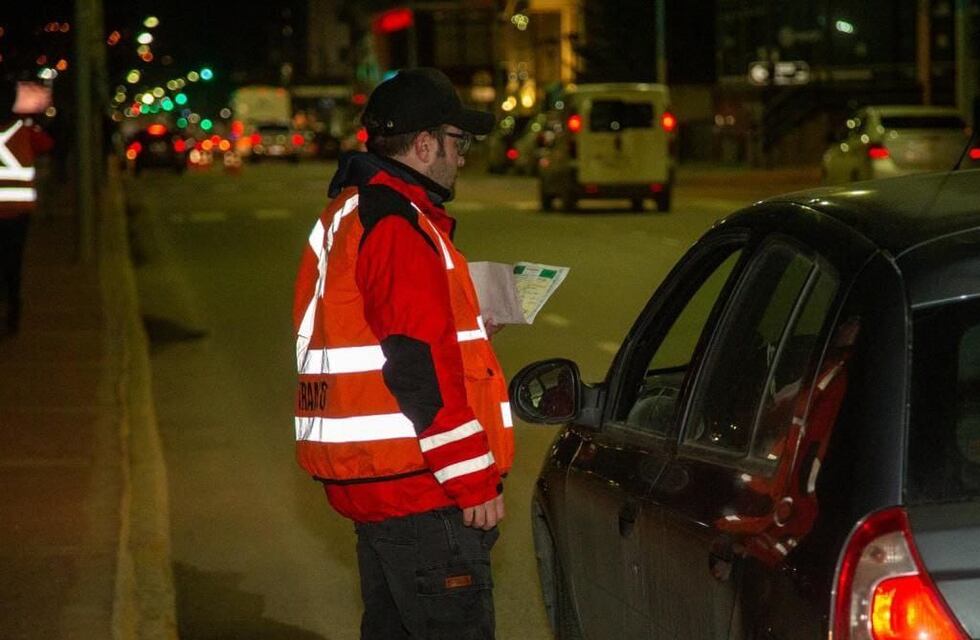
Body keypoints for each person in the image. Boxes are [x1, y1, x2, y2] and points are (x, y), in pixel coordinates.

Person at [291, 68, 513, 639]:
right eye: (456, 142)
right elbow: (416, 363)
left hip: (384, 485)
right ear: (423, 144)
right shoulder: (395, 221)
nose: (461, 157)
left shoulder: (354, 210)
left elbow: (376, 333)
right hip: (423, 491)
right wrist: (472, 478)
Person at [0, 80, 53, 336]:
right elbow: (47, 144)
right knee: (13, 262)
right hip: (18, 212)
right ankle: (13, 312)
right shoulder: (25, 131)